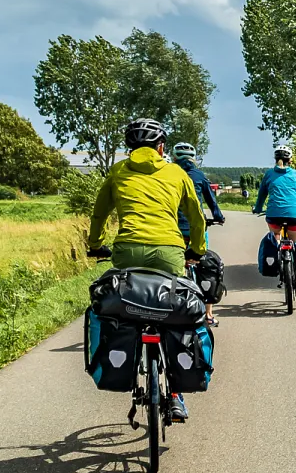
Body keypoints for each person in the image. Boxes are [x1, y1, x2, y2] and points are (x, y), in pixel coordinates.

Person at [88, 118, 207, 421]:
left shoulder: (118, 171)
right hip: (169, 254)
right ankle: (177, 395)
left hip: (127, 252)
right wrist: (197, 250)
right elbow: (196, 216)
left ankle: (124, 365)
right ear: (161, 147)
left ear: (129, 148)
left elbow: (100, 212)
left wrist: (95, 244)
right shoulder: (176, 172)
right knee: (173, 310)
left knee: (129, 305)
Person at [171, 141, 224, 327]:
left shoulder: (168, 175)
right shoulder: (199, 176)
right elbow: (212, 202)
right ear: (194, 159)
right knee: (204, 265)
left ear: (173, 158)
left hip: (173, 229)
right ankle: (208, 315)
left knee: (171, 266)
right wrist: (218, 217)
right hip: (196, 229)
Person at [252, 145, 296, 297]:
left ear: (275, 159)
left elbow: (261, 196)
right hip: (294, 216)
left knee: (275, 239)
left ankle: (278, 256)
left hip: (274, 216)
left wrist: (258, 208)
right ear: (290, 160)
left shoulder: (268, 175)